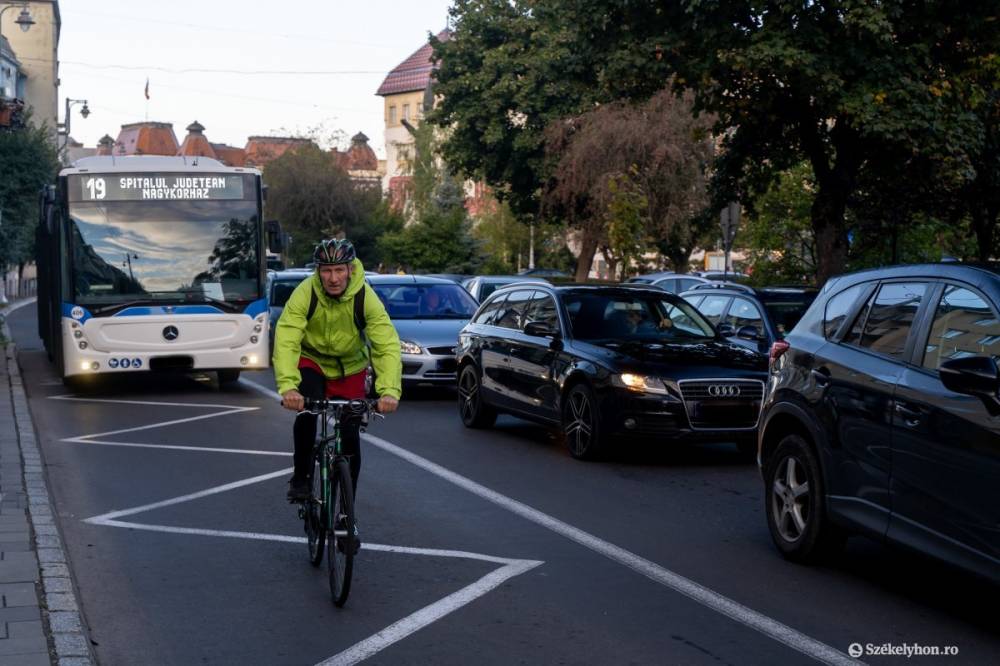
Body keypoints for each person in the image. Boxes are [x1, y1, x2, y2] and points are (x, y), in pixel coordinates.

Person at [273, 239, 401, 502]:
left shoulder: (365, 296)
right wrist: (288, 386)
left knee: (351, 437)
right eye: (326, 271)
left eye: (339, 270)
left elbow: (386, 344)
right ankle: (302, 478)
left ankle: (346, 509)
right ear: (318, 271)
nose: (333, 278)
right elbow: (287, 338)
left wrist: (388, 390)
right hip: (312, 361)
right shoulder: (305, 293)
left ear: (351, 269)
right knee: (307, 414)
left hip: (350, 366)